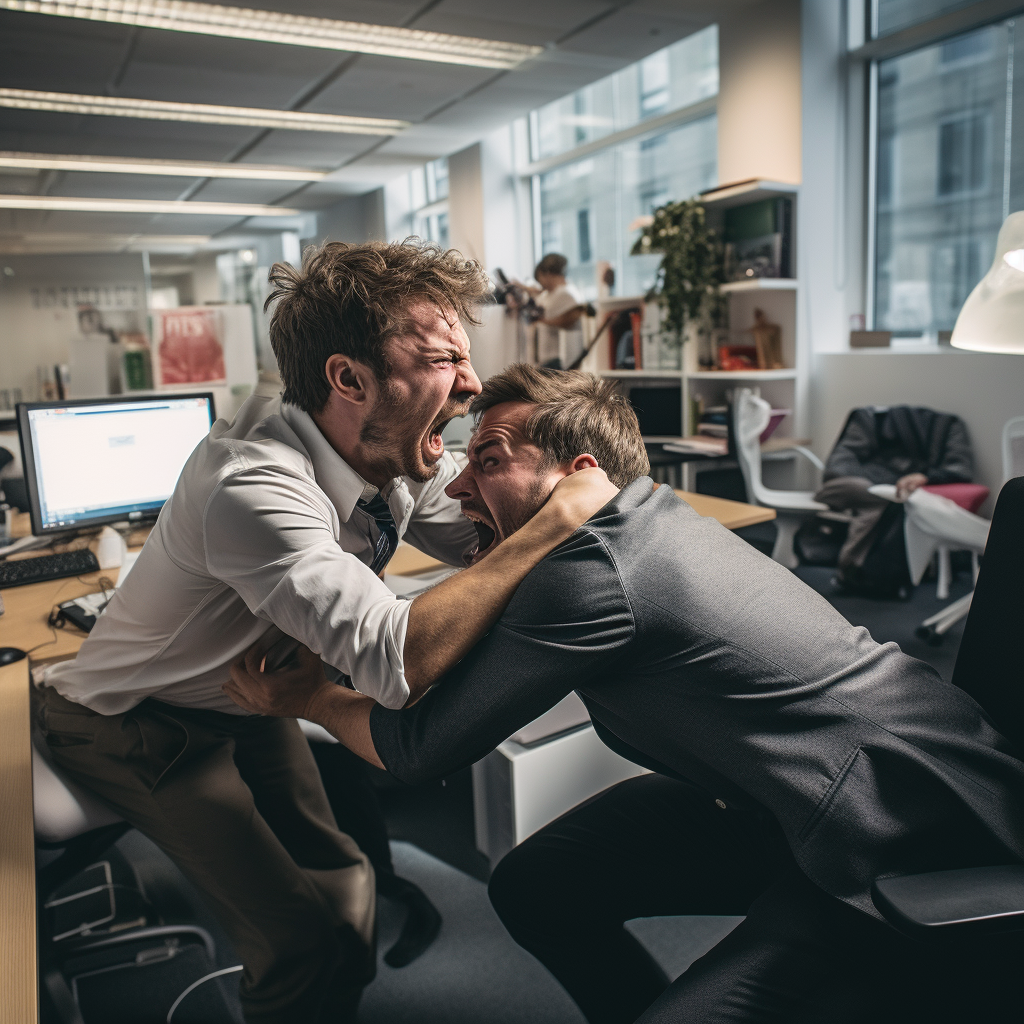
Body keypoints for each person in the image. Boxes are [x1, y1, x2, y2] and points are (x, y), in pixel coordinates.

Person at [226, 364, 1024, 1024]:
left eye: (490, 458)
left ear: (577, 476)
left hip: (896, 829)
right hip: (788, 796)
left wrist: (304, 696)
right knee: (538, 883)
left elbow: (416, 748)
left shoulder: (592, 577)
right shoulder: (639, 516)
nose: (459, 483)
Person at [35, 245, 616, 1024]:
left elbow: (489, 547)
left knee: (346, 881)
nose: (473, 385)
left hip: (250, 695)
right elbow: (397, 662)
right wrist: (561, 518)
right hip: (133, 720)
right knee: (298, 941)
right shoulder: (251, 486)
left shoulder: (398, 449)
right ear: (348, 380)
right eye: (446, 359)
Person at [814, 405, 976, 590]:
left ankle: (857, 569)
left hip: (890, 493)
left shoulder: (948, 427)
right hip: (852, 484)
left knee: (887, 501)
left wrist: (926, 477)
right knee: (878, 495)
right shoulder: (870, 422)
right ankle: (854, 567)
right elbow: (839, 466)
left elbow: (959, 469)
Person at [518, 252, 585, 368]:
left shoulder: (567, 293)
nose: (540, 284)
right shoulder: (550, 294)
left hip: (558, 360)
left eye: (540, 278)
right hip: (545, 359)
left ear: (547, 274)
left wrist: (539, 319)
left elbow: (565, 318)